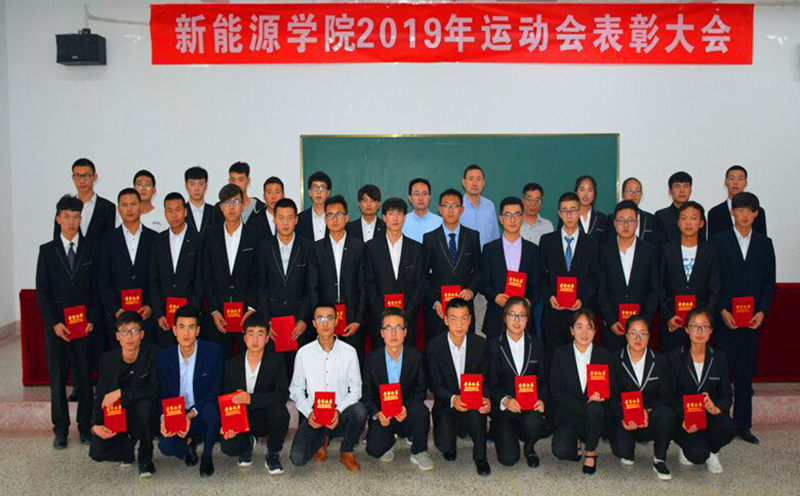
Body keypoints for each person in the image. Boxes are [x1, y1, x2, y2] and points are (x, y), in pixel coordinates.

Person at [710, 192, 775, 444]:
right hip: (726, 318)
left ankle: (743, 424)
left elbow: (769, 283)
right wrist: (722, 310)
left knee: (745, 373)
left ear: (756, 214)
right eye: (740, 210)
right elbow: (714, 281)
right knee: (723, 372)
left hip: (752, 320)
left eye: (750, 210)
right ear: (732, 212)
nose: (744, 215)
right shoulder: (718, 241)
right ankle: (722, 422)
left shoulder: (764, 243)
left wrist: (762, 311)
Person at [36, 195, 96, 449]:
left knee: (85, 378)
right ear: (58, 219)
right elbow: (42, 293)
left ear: (81, 218)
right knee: (58, 379)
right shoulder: (47, 251)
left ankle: (85, 427)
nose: (72, 221)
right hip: (58, 328)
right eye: (67, 216)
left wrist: (91, 318)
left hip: (83, 327)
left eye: (76, 216)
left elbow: (96, 288)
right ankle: (60, 430)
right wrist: (53, 323)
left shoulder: (91, 248)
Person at [289, 302, 367, 472]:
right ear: (313, 323)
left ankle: (346, 451)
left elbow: (356, 389)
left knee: (360, 410)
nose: (325, 323)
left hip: (340, 415)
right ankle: (321, 439)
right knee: (297, 458)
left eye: (329, 318)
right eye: (320, 318)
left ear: (336, 321)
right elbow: (295, 390)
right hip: (315, 416)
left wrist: (338, 411)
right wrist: (309, 412)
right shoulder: (303, 353)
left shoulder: (349, 352)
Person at [425, 298, 492, 476]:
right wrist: (453, 399)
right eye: (454, 319)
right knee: (445, 446)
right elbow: (434, 384)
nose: (459, 325)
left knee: (478, 410)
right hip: (447, 402)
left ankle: (481, 458)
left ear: (470, 319)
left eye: (464, 318)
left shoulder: (480, 344)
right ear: (446, 320)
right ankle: (453, 434)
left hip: (472, 401)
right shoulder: (434, 346)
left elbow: (486, 378)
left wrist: (485, 398)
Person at [89, 311, 159, 477]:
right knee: (97, 451)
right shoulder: (107, 360)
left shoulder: (153, 353)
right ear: (117, 336)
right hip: (120, 414)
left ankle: (145, 458)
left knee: (145, 407)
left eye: (134, 331)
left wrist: (121, 393)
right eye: (124, 332)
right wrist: (95, 426)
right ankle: (127, 452)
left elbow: (154, 390)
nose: (129, 337)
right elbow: (101, 396)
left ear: (142, 334)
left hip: (145, 410)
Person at [362, 307, 433, 470]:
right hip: (384, 416)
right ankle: (390, 439)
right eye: (388, 328)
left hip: (406, 413)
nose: (393, 334)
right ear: (382, 333)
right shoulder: (372, 359)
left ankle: (419, 451)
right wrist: (377, 413)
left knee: (421, 411)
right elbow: (367, 395)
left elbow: (421, 390)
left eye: (398, 328)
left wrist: (405, 407)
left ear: (405, 332)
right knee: (374, 450)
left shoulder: (415, 356)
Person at [219, 312, 290, 474]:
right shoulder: (232, 364)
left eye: (260, 334)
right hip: (241, 419)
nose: (255, 340)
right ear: (244, 338)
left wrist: (251, 399)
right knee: (228, 446)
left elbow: (282, 394)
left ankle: (273, 453)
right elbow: (226, 397)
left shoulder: (276, 361)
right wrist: (227, 424)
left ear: (267, 338)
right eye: (251, 334)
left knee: (281, 412)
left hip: (266, 416)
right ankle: (248, 444)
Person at [157, 306, 223, 478]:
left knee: (212, 411)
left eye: (191, 327)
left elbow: (214, 391)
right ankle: (188, 442)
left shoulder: (213, 352)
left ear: (198, 330)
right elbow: (163, 393)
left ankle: (207, 455)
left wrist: (190, 414)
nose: (186, 333)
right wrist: (164, 419)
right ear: (174, 330)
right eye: (181, 327)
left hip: (200, 410)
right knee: (165, 447)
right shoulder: (164, 357)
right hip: (176, 413)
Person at [669, 308, 737, 474]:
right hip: (683, 418)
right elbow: (669, 395)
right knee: (697, 455)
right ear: (687, 329)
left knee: (729, 428)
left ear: (711, 330)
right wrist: (683, 417)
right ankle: (686, 445)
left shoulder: (719, 357)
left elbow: (726, 394)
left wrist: (715, 408)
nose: (699, 331)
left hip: (708, 415)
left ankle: (713, 451)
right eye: (694, 326)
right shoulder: (675, 357)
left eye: (704, 327)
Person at [609, 316, 677, 480]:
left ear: (649, 336)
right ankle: (628, 445)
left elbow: (667, 395)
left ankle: (659, 458)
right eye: (633, 333)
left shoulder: (660, 361)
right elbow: (611, 396)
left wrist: (647, 409)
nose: (638, 338)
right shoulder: (615, 359)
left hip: (650, 418)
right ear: (626, 335)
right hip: (626, 420)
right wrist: (623, 416)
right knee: (622, 451)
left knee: (667, 413)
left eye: (643, 334)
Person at [538, 192, 599, 362]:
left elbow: (594, 277)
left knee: (580, 361)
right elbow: (540, 276)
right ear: (559, 213)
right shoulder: (547, 241)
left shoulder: (591, 243)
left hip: (581, 313)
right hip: (554, 314)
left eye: (573, 210)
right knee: (553, 360)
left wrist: (582, 299)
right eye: (564, 210)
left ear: (579, 212)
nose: (569, 215)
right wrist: (550, 297)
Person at [549, 309, 611, 475]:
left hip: (594, 416)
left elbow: (611, 389)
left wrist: (602, 397)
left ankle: (591, 450)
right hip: (568, 415)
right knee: (560, 451)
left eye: (589, 327)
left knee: (595, 408)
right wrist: (583, 406)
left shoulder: (604, 356)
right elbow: (556, 390)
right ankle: (575, 441)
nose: (584, 333)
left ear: (595, 331)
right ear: (572, 330)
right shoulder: (561, 354)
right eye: (579, 327)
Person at [202, 184, 261, 357]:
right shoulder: (210, 238)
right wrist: (214, 310)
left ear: (243, 205)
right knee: (219, 361)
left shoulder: (255, 236)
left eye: (236, 202)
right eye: (227, 202)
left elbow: (258, 276)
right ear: (221, 207)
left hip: (246, 314)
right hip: (219, 315)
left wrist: (251, 308)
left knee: (247, 361)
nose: (232, 207)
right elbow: (207, 277)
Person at [488, 297, 547, 468]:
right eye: (512, 315)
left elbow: (543, 380)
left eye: (522, 315)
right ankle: (498, 429)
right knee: (508, 459)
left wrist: (541, 399)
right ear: (505, 317)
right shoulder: (493, 346)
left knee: (536, 422)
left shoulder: (537, 344)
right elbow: (489, 383)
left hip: (529, 407)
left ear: (528, 319)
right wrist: (505, 401)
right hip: (505, 409)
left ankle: (529, 448)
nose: (517, 320)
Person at [364, 198, 428, 346]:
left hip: (408, 320)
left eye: (399, 214)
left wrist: (406, 314)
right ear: (384, 218)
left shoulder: (417, 249)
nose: (395, 218)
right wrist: (382, 314)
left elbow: (420, 285)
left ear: (404, 218)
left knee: (407, 358)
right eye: (391, 214)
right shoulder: (371, 248)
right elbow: (369, 284)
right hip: (380, 320)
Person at [597, 201, 660, 351]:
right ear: (614, 223)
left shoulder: (650, 251)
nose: (625, 225)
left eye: (630, 220)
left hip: (641, 329)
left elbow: (655, 289)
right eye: (621, 220)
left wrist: (643, 322)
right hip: (612, 326)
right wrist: (611, 320)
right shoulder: (603, 251)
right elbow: (600, 289)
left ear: (637, 223)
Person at [97, 188, 157, 346]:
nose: (129, 209)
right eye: (124, 205)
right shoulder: (107, 240)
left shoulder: (155, 239)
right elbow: (102, 280)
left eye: (133, 204)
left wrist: (150, 306)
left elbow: (158, 278)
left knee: (147, 359)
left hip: (146, 318)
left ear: (141, 206)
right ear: (118, 209)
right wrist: (115, 309)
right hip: (117, 319)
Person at [660, 201, 720, 353]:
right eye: (684, 218)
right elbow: (659, 286)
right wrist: (668, 316)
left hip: (700, 326)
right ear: (678, 222)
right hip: (673, 322)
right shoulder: (665, 250)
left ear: (701, 223)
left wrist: (704, 320)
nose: (688, 223)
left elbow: (715, 288)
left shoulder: (710, 252)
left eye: (693, 218)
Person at [423, 188, 481, 340]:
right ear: (439, 209)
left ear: (461, 209)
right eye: (446, 205)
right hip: (439, 309)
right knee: (438, 348)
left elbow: (479, 270)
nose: (450, 210)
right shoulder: (429, 238)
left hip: (464, 306)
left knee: (466, 348)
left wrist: (471, 291)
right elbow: (423, 276)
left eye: (455, 206)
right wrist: (434, 302)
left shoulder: (473, 236)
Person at [259, 198, 317, 348]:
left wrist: (304, 319)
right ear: (274, 219)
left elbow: (311, 287)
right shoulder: (264, 247)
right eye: (281, 218)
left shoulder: (308, 247)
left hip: (300, 324)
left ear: (296, 220)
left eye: (290, 218)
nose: (285, 223)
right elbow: (261, 286)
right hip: (273, 324)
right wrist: (267, 320)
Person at [314, 196, 365, 358]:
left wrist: (358, 320)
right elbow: (312, 287)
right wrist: (319, 318)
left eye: (339, 215)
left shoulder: (359, 247)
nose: (334, 219)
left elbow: (363, 286)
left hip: (352, 320)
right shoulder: (316, 248)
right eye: (330, 215)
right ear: (325, 219)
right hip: (325, 321)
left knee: (352, 362)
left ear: (347, 218)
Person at [481, 197, 539, 340]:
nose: (512, 220)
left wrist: (528, 302)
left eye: (517, 215)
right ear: (501, 219)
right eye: (508, 215)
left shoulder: (533, 250)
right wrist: (495, 297)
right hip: (496, 317)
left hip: (523, 318)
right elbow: (483, 283)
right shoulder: (489, 249)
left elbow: (538, 284)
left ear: (522, 218)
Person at [149, 192, 201, 348]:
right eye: (169, 210)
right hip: (164, 317)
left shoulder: (198, 240)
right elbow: (153, 280)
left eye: (178, 209)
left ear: (185, 211)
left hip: (190, 316)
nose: (174, 215)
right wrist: (159, 314)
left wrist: (192, 314)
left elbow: (200, 280)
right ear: (165, 213)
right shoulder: (158, 241)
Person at [53, 158, 115, 242]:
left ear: (95, 177)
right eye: (78, 176)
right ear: (73, 178)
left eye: (86, 176)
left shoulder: (107, 207)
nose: (82, 181)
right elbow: (57, 239)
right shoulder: (64, 205)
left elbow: (110, 240)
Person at [707, 165, 767, 238]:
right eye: (731, 178)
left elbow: (763, 240)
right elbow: (712, 242)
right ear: (725, 182)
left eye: (740, 179)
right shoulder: (714, 213)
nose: (735, 182)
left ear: (746, 183)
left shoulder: (757, 211)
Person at [655, 171, 706, 243]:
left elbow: (702, 241)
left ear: (691, 190)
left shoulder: (698, 213)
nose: (682, 191)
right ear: (670, 191)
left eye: (686, 186)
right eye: (677, 186)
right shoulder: (661, 216)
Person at [611, 177, 660, 245]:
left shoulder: (651, 219)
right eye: (629, 191)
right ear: (622, 194)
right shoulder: (611, 218)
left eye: (637, 191)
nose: (634, 194)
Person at [460, 164, 499, 247]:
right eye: (471, 179)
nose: (475, 183)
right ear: (464, 182)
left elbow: (495, 236)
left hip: (488, 254)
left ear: (483, 183)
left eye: (478, 179)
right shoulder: (458, 206)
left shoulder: (490, 206)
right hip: (466, 254)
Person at [403, 177, 442, 243]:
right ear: (410, 198)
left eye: (424, 194)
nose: (420, 198)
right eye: (416, 194)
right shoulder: (402, 222)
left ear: (429, 197)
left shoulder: (440, 223)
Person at [570, 175, 608, 244]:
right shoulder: (568, 216)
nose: (585, 194)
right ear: (576, 192)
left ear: (594, 194)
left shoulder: (602, 218)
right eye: (582, 190)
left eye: (589, 190)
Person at [227, 161, 266, 226]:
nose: (237, 184)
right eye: (233, 180)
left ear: (248, 181)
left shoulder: (261, 209)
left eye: (241, 180)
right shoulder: (221, 209)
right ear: (229, 181)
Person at [297, 171, 331, 242]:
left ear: (328, 193)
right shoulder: (300, 219)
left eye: (323, 188)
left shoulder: (334, 218)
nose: (318, 192)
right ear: (309, 192)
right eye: (315, 187)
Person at [184, 166, 213, 236]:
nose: (196, 188)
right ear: (186, 186)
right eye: (192, 184)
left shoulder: (214, 211)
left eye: (201, 183)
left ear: (206, 186)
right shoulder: (181, 211)